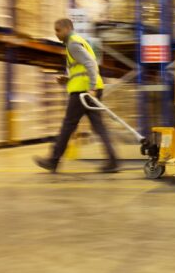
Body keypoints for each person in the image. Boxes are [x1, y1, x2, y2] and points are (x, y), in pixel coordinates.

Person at [34, 18, 119, 173]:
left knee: (68, 126)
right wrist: (67, 78)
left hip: (83, 92)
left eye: (58, 30)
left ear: (67, 28)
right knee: (98, 126)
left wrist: (91, 88)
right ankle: (113, 160)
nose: (56, 33)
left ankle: (53, 160)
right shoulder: (76, 42)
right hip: (86, 89)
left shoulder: (73, 43)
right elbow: (81, 68)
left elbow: (90, 64)